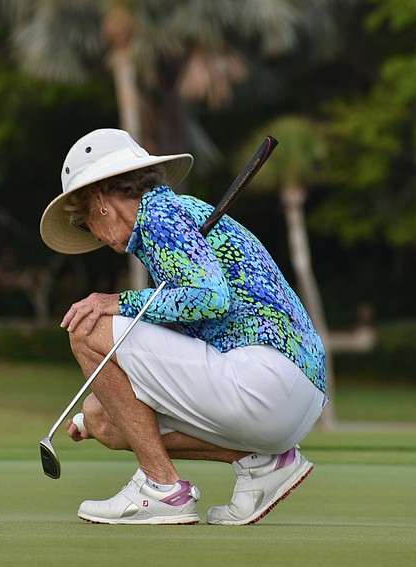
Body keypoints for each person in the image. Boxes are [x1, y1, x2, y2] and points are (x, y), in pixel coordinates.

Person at [39, 128, 328, 525]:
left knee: (88, 328)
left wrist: (116, 302)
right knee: (102, 417)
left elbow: (211, 297)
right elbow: (200, 314)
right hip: (294, 396)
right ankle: (263, 463)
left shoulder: (158, 215)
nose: (92, 234)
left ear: (101, 202)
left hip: (267, 375)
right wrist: (94, 417)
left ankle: (162, 489)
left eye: (84, 222)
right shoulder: (174, 214)